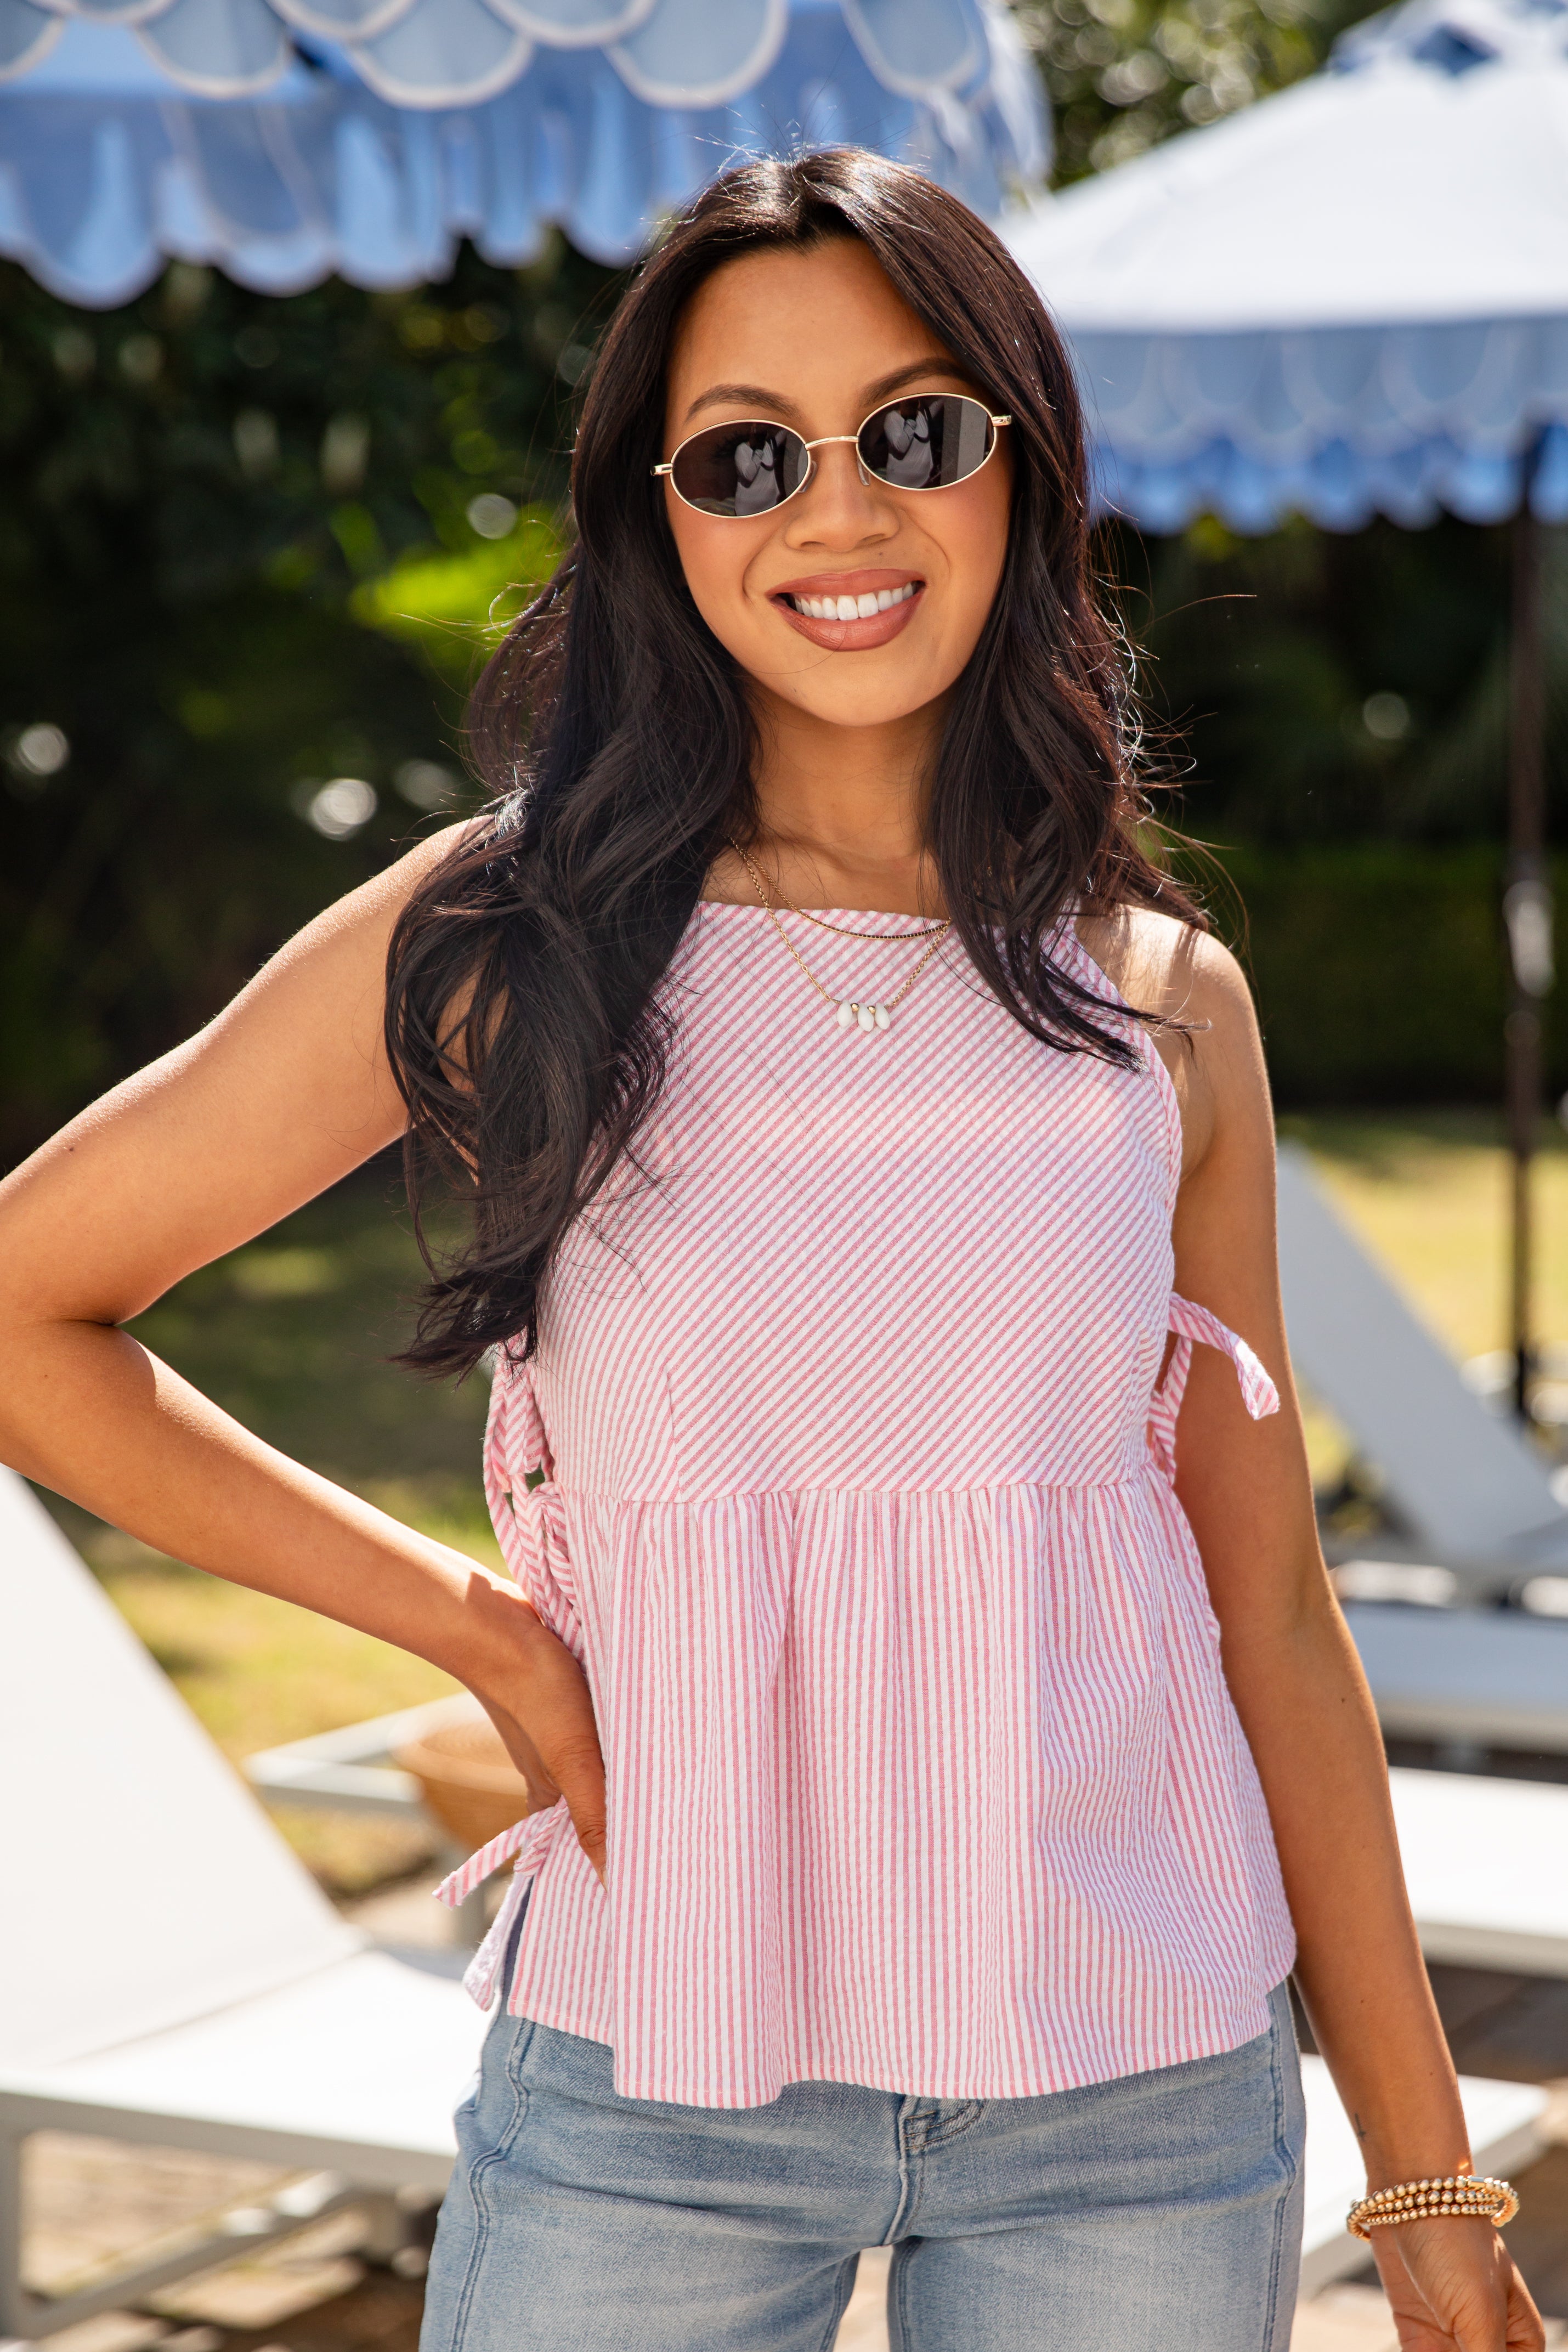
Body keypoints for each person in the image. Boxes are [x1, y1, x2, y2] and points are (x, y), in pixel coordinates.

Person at [0, 149, 1541, 2352]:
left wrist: (1420, 2173)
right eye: (747, 456)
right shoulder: (506, 933)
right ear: (659, 518)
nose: (836, 513)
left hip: (1137, 2077)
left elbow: (1271, 1606)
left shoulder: (1157, 999)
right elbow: (24, 1307)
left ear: (1019, 464)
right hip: (653, 2070)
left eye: (912, 431)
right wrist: (485, 1634)